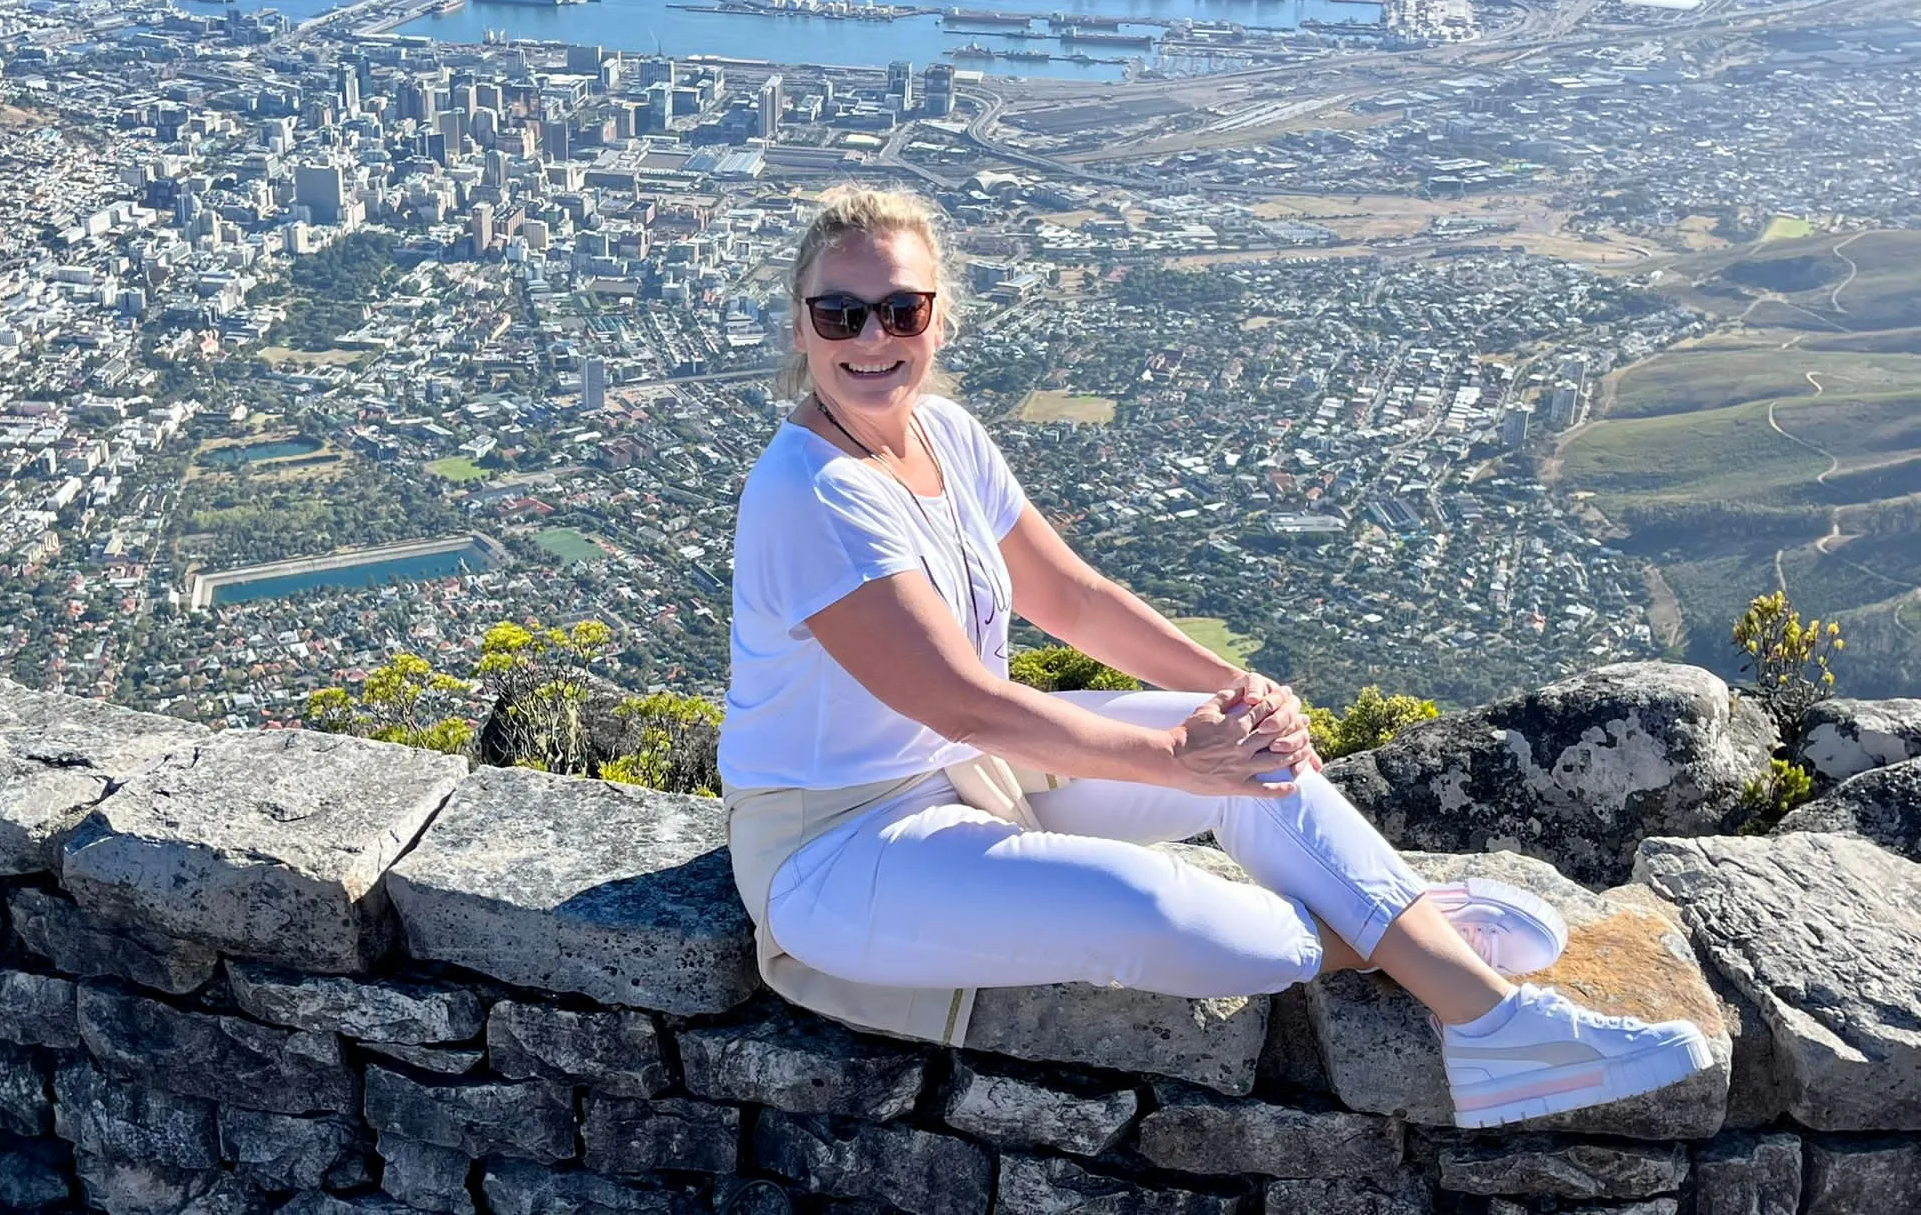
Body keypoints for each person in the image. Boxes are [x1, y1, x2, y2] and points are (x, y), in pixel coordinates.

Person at [720, 186, 1711, 1130]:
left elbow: (1073, 599)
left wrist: (1236, 694)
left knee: (1257, 754)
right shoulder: (811, 492)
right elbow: (964, 703)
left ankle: (1489, 1024)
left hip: (975, 777)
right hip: (839, 846)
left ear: (939, 320)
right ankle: (1410, 938)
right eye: (840, 314)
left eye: (900, 309)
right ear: (801, 328)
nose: (871, 338)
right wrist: (1173, 758)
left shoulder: (945, 434)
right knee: (1166, 914)